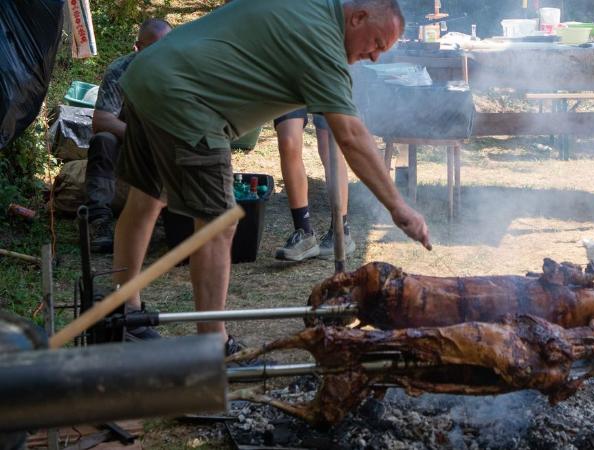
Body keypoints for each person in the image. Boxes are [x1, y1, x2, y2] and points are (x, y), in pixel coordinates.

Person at [113, 0, 431, 355]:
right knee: (218, 224)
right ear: (357, 18)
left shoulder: (311, 8)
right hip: (188, 100)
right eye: (376, 43)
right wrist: (398, 207)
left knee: (146, 197)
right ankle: (213, 348)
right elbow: (352, 137)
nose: (374, 57)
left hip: (148, 73)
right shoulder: (322, 43)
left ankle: (125, 314)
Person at [85, 18, 172, 253]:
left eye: (165, 47)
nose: (159, 55)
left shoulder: (180, 70)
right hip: (127, 146)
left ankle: (169, 217)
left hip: (166, 146)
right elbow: (101, 120)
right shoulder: (120, 70)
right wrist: (140, 137)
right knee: (103, 140)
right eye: (151, 48)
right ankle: (98, 220)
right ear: (138, 47)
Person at [274, 110, 356, 261]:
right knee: (288, 141)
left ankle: (340, 230)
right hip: (290, 85)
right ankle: (304, 233)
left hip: (324, 85)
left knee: (329, 146)